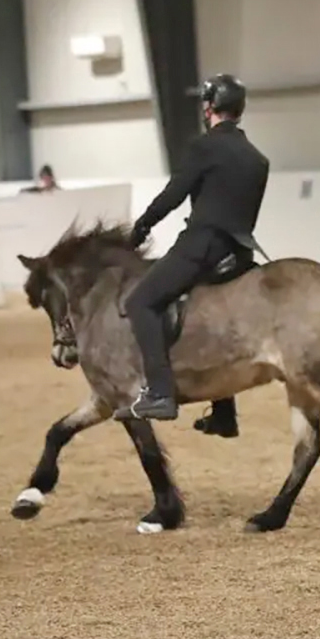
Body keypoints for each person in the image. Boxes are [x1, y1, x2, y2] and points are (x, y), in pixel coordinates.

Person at [113, 73, 271, 422]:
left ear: (210, 106)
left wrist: (142, 226)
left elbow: (174, 194)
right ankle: (223, 410)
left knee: (141, 302)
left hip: (202, 246)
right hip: (240, 252)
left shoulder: (204, 147)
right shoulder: (257, 158)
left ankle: (159, 393)